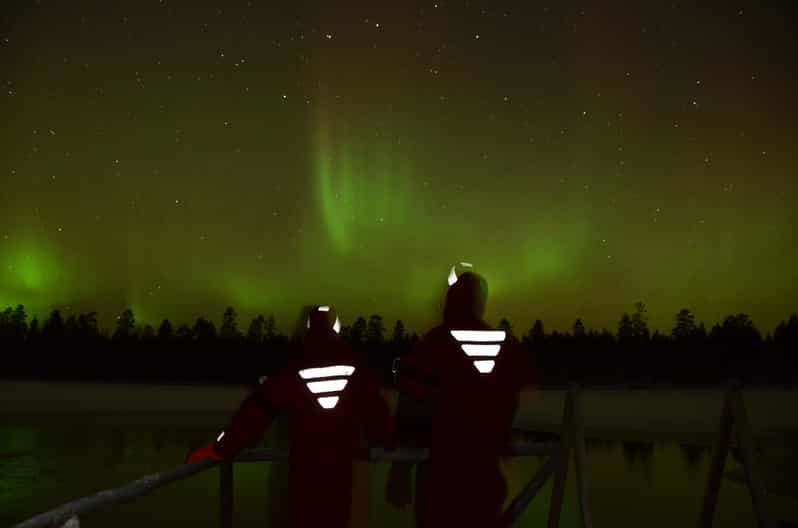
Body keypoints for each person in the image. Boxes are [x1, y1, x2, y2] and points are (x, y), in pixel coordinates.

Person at [186, 304, 396, 528]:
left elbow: (255, 413)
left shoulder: (292, 372)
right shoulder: (358, 372)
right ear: (337, 330)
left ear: (306, 330)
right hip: (341, 477)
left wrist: (220, 448)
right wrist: (390, 442)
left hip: (303, 477)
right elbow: (382, 422)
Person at [386, 264, 529, 528]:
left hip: (441, 481)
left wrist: (400, 468)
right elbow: (510, 400)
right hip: (486, 481)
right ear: (480, 302)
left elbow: (412, 404)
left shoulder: (434, 344)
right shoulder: (503, 346)